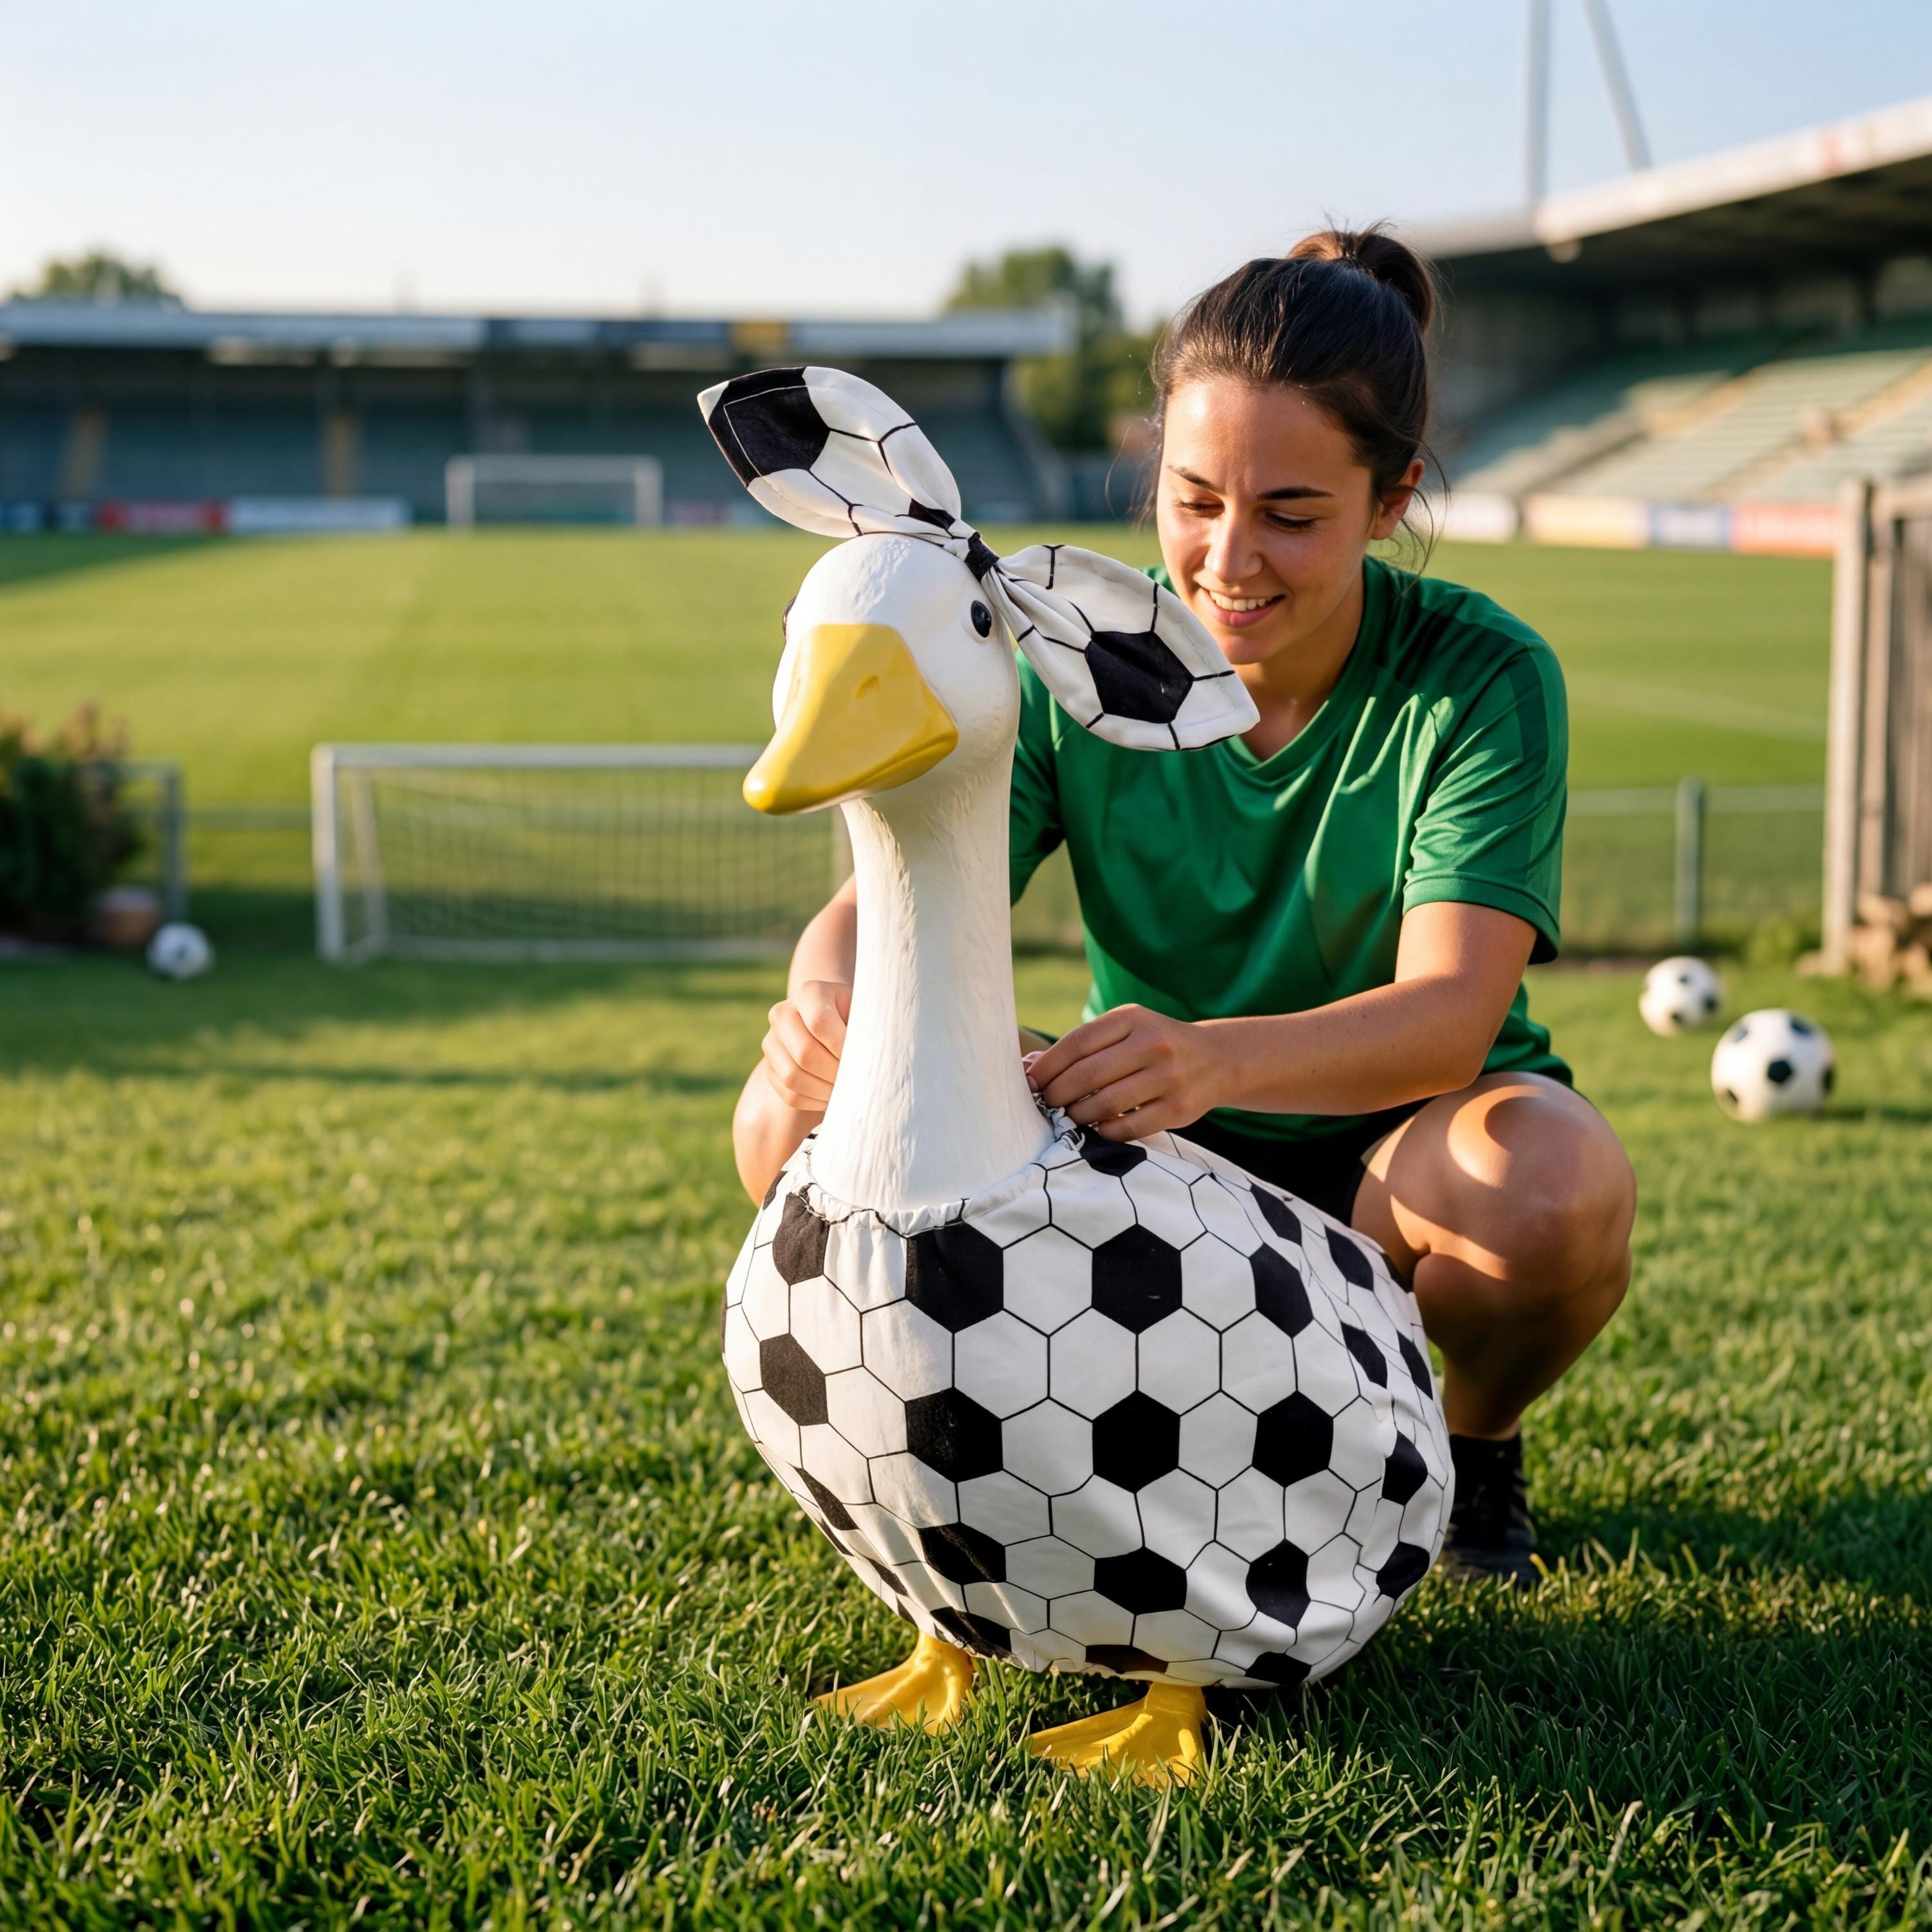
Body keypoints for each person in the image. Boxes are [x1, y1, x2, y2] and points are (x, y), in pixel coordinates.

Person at [732, 227, 1635, 1587]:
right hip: (1143, 1144)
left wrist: (1213, 1057)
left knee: (1552, 1188)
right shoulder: (1082, 656)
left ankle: (1472, 1442)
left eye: (1292, 515)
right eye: (1195, 498)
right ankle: (1001, 1456)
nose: (1229, 558)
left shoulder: (1481, 677)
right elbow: (881, 899)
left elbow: (1453, 1014)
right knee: (784, 1114)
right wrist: (824, 1008)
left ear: (1391, 500)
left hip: (1393, 1148)